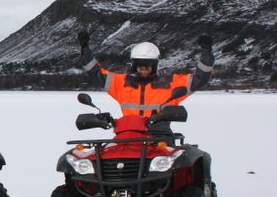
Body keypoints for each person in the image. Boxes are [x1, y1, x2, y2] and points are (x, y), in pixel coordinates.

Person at [77, 31, 215, 137]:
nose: (143, 67)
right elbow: (96, 73)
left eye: (147, 64)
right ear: (134, 65)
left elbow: (200, 79)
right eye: (139, 64)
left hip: (160, 137)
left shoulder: (170, 83)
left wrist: (206, 53)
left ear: (154, 65)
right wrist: (85, 49)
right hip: (128, 136)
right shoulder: (121, 83)